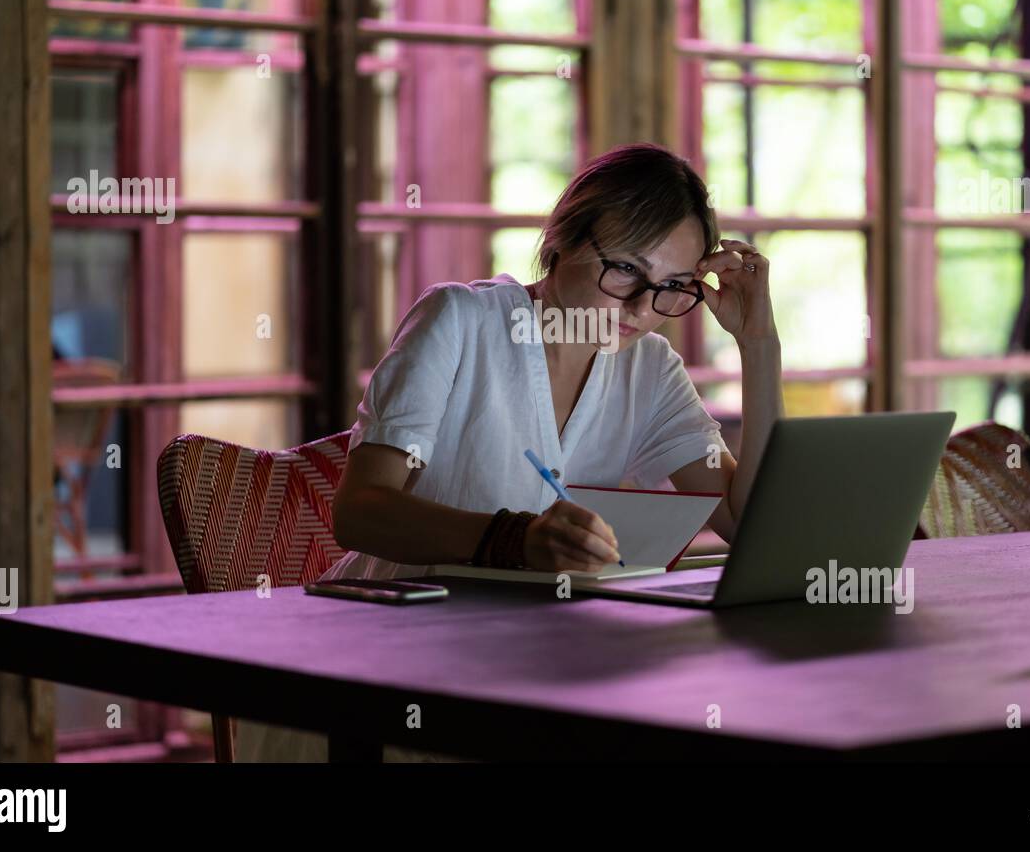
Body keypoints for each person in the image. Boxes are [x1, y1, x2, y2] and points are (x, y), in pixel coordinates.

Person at [236, 142, 783, 762]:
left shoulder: (649, 369)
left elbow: (748, 525)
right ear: (561, 241)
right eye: (626, 270)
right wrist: (515, 540)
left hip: (540, 658)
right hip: (385, 663)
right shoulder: (459, 322)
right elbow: (361, 511)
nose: (640, 308)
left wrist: (758, 344)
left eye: (673, 286)